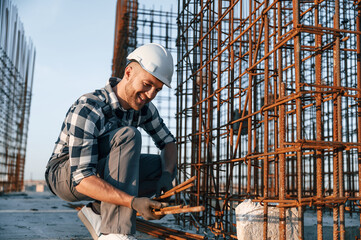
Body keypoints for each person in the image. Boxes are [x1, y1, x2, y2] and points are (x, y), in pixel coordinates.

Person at [45, 43, 177, 240]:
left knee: (160, 166)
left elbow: (168, 143)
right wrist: (133, 202)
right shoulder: (89, 108)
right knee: (129, 136)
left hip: (99, 169)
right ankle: (115, 232)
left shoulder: (144, 109)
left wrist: (167, 174)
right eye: (147, 84)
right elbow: (82, 179)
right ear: (129, 72)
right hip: (67, 173)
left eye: (156, 90)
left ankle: (98, 211)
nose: (150, 95)